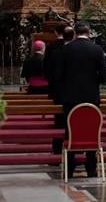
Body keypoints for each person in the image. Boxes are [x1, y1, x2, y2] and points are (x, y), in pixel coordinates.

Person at [53, 21, 106, 179]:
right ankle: (91, 168)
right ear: (89, 33)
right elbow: (104, 77)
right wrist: (92, 81)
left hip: (70, 98)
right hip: (91, 97)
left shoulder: (65, 50)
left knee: (70, 131)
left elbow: (57, 76)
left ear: (75, 33)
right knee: (91, 130)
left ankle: (69, 169)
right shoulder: (97, 50)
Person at [43, 23, 68, 155]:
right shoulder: (69, 48)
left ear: (56, 32)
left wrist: (52, 85)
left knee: (58, 120)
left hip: (57, 90)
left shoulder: (51, 48)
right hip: (71, 90)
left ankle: (57, 150)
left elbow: (47, 70)